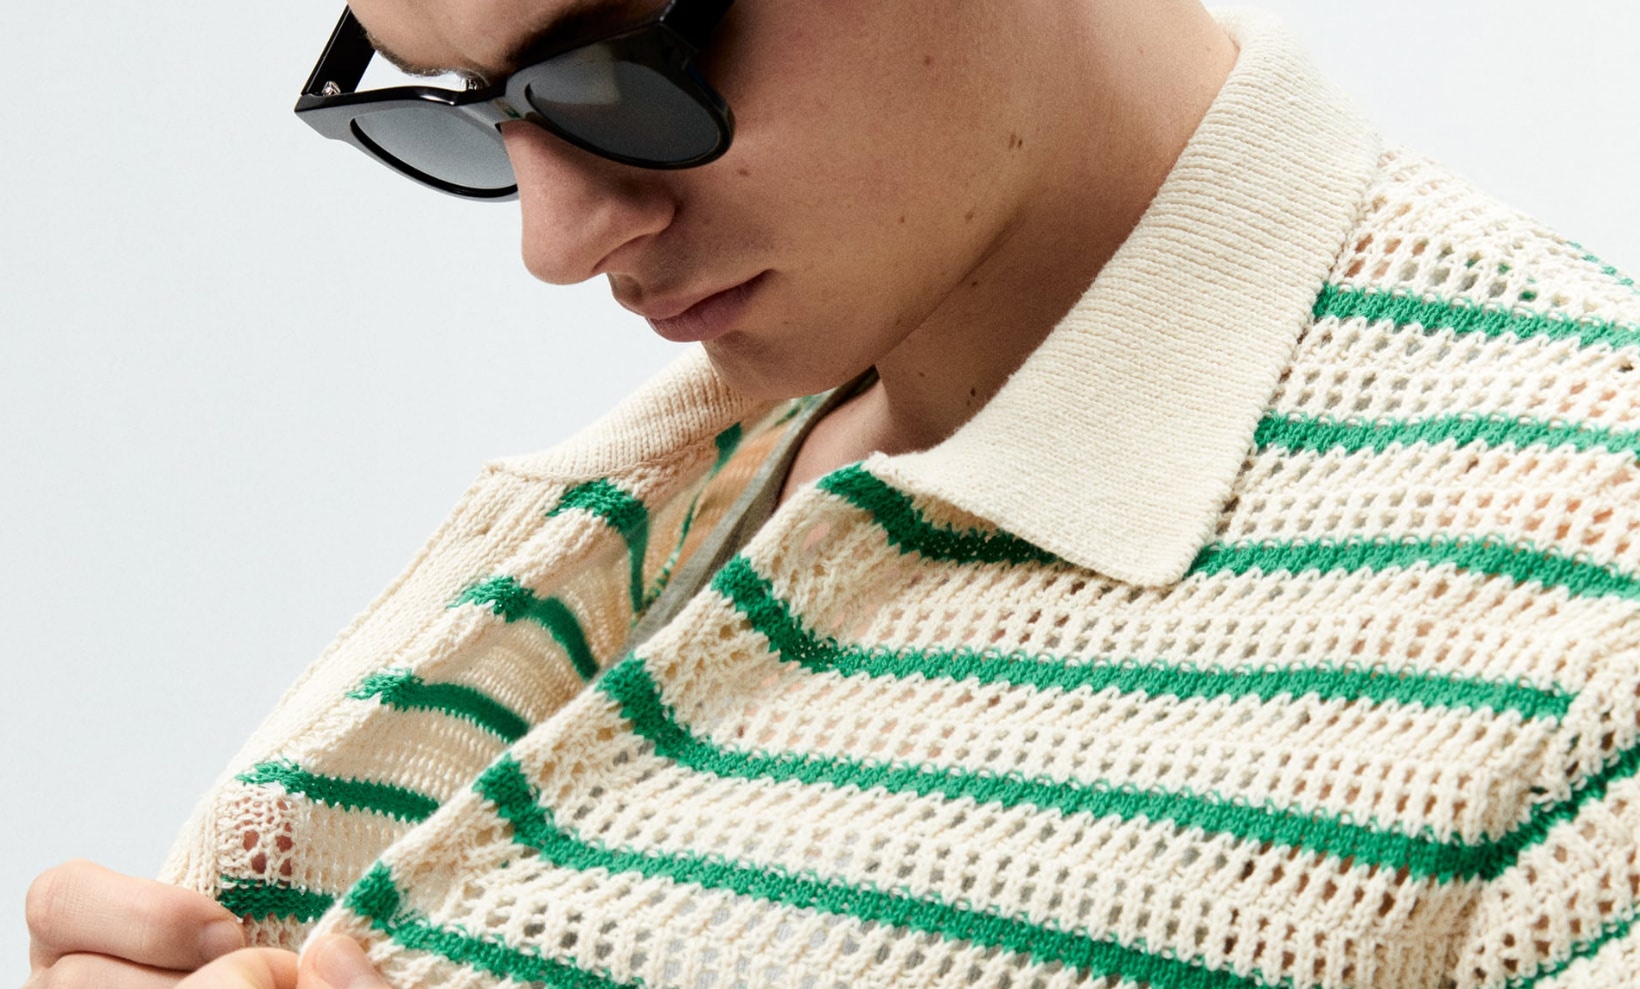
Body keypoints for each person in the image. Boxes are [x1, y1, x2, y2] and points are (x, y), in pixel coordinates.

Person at [25, 0, 1640, 987]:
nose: (553, 239)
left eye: (623, 60)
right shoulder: (638, 504)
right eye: (452, 107)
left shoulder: (1585, 608)